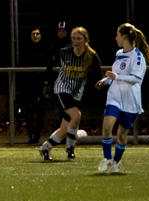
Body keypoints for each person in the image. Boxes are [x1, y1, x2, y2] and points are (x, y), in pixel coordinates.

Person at [39, 27, 104, 161]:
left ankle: (45, 148)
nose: (75, 41)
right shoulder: (63, 53)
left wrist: (101, 82)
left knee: (64, 129)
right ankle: (70, 149)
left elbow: (98, 73)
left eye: (79, 38)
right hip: (62, 89)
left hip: (76, 93)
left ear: (86, 40)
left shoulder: (91, 55)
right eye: (74, 38)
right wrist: (46, 82)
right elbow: (50, 64)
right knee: (76, 116)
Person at [96, 23, 149, 173]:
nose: (115, 38)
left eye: (117, 35)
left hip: (130, 100)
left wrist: (117, 77)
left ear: (124, 37)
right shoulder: (118, 53)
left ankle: (116, 162)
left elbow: (136, 78)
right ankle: (107, 158)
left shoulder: (138, 56)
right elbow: (116, 75)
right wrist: (106, 81)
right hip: (115, 96)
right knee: (107, 126)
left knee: (122, 134)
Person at [20, 27, 47, 144]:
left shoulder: (44, 50)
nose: (35, 36)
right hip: (28, 85)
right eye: (33, 34)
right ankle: (30, 134)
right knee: (29, 110)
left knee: (40, 111)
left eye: (38, 34)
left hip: (40, 86)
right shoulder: (25, 49)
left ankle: (37, 134)